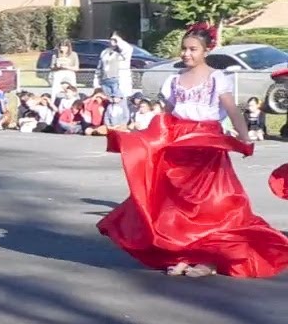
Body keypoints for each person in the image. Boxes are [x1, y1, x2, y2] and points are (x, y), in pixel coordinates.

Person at [98, 23, 287, 278]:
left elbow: (231, 109)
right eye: (184, 49)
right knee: (175, 205)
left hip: (205, 143)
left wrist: (245, 139)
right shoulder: (174, 80)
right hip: (177, 142)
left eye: (193, 49)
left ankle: (209, 258)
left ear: (206, 50)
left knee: (208, 205)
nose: (186, 54)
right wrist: (144, 134)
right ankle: (182, 254)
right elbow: (165, 114)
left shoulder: (217, 78)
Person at [96, 34, 131, 99]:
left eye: (115, 39)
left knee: (119, 100)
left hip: (118, 80)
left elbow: (126, 48)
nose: (112, 41)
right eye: (111, 39)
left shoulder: (125, 51)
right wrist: (96, 82)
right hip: (105, 80)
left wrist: (117, 40)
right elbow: (99, 68)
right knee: (107, 101)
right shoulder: (104, 52)